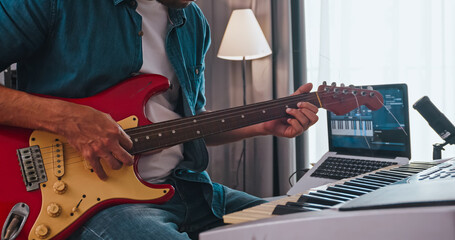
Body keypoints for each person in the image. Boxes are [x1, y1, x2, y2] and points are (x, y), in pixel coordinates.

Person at [0, 0, 319, 239]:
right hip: (89, 199)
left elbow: (188, 122)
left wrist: (262, 125)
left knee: (313, 227)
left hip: (189, 188)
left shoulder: (193, 21)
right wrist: (66, 117)